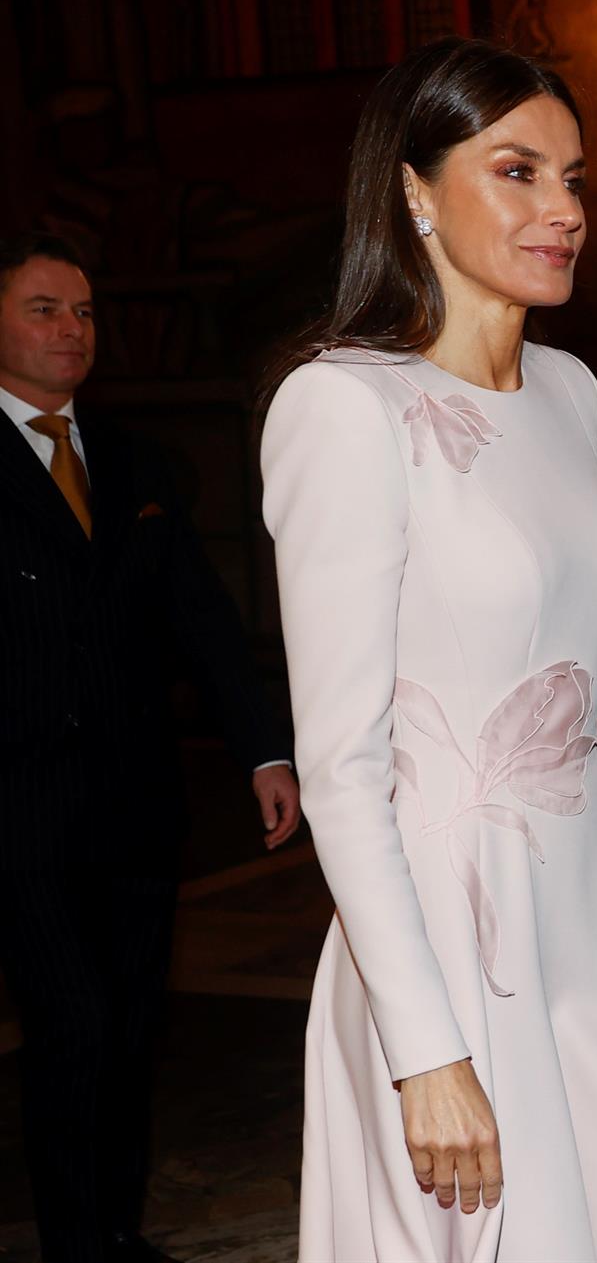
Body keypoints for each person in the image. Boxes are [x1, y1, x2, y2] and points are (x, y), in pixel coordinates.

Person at [259, 39, 597, 1259]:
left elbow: (588, 700)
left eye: (575, 180)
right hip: (446, 931)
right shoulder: (343, 406)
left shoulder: (572, 391)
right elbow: (343, 766)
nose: (563, 210)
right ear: (413, 190)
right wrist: (424, 1050)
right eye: (517, 171)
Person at [0, 231, 300, 1263]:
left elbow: (203, 620)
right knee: (73, 1024)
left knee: (129, 1028)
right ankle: (79, 1245)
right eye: (45, 309)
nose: (72, 329)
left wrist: (263, 750)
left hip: (135, 805)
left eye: (84, 311)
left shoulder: (138, 461)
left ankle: (117, 1232)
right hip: (18, 812)